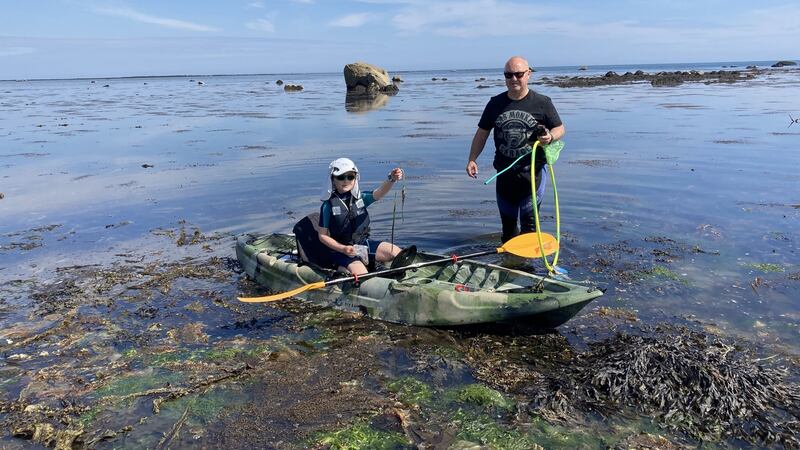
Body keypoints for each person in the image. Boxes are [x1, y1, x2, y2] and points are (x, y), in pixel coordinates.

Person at [466, 56, 565, 243]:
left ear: (528, 74)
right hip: (504, 174)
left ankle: (529, 268)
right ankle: (509, 268)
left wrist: (550, 136)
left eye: (518, 74)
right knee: (509, 230)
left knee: (529, 229)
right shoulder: (495, 103)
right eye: (508, 75)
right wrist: (472, 159)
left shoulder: (542, 102)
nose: (513, 79)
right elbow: (482, 133)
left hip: (532, 174)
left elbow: (560, 128)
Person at [318, 157, 404, 276]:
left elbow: (379, 193)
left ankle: (376, 266)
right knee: (363, 274)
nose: (346, 180)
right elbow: (322, 236)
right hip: (341, 250)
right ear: (332, 179)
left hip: (362, 244)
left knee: (396, 253)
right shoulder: (327, 206)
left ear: (355, 178)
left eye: (350, 177)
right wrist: (343, 249)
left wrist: (391, 179)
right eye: (341, 177)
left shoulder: (361, 198)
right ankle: (342, 268)